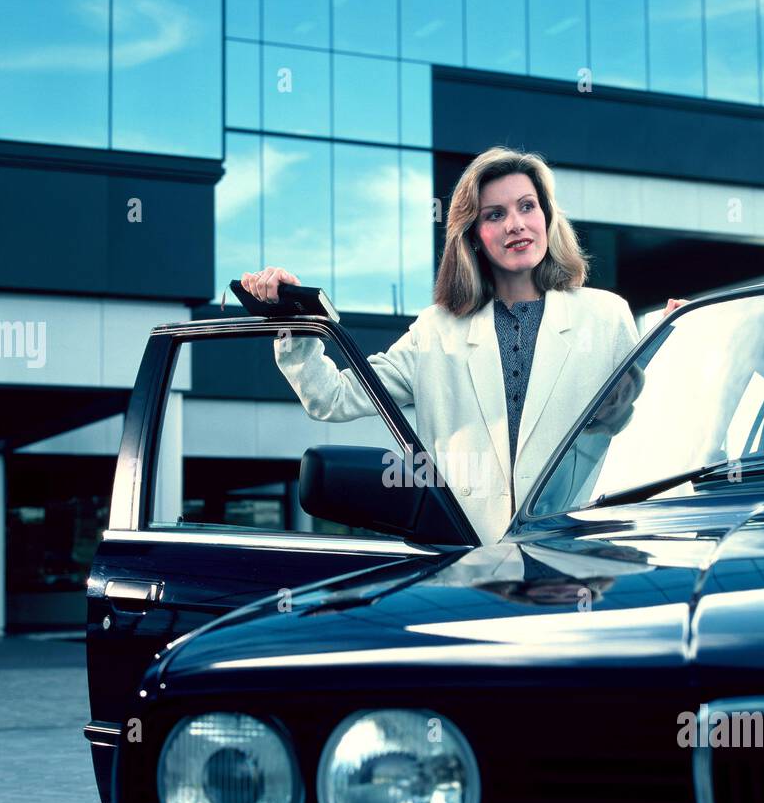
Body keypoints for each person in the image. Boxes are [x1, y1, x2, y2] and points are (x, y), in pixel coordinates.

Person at [242, 146, 667, 547]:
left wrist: (676, 349)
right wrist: (293, 320)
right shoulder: (436, 330)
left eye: (527, 206)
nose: (516, 224)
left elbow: (645, 431)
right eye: (495, 214)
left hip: (577, 559)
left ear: (547, 216)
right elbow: (331, 398)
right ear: (474, 235)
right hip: (466, 564)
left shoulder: (606, 316)